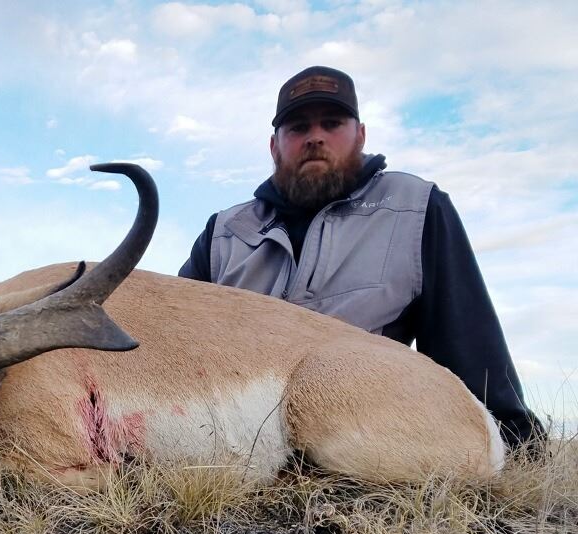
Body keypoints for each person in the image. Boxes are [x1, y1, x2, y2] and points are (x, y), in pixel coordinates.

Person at [178, 65, 545, 456]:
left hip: (358, 432)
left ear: (361, 135)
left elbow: (466, 339)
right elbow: (176, 338)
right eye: (298, 128)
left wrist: (513, 437)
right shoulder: (224, 231)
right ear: (274, 146)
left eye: (332, 123)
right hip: (232, 440)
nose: (315, 137)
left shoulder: (416, 208)